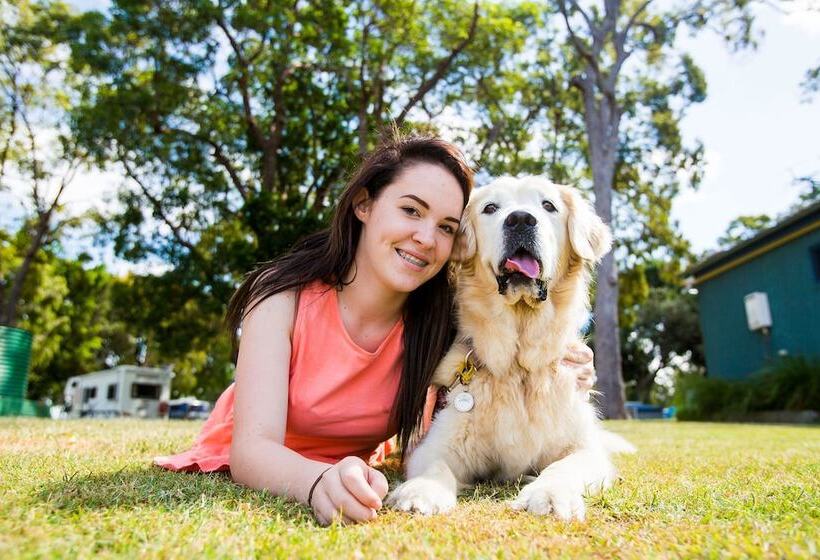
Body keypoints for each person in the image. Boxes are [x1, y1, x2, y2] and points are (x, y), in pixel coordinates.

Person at [154, 133, 596, 525]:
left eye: (445, 226)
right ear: (364, 204)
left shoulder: (441, 323)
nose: (425, 237)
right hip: (260, 458)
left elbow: (511, 338)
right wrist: (317, 482)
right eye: (410, 210)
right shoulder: (281, 298)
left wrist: (565, 355)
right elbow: (251, 452)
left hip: (354, 467)